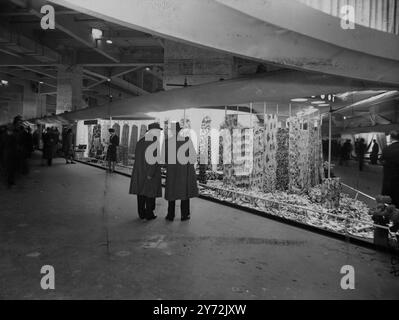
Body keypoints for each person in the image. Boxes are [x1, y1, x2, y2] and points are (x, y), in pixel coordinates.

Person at [163, 122, 198, 221]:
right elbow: (193, 157)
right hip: (184, 172)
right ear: (180, 131)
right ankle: (184, 215)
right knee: (184, 193)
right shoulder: (187, 141)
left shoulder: (167, 142)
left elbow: (164, 158)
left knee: (171, 192)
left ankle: (170, 215)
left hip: (172, 172)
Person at [129, 123, 162, 220]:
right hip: (150, 173)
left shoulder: (140, 141)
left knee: (141, 193)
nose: (159, 133)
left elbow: (138, 157)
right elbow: (154, 160)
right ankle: (149, 214)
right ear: (153, 131)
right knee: (150, 195)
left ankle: (141, 213)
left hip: (139, 172)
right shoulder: (154, 141)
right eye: (158, 131)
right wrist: (150, 174)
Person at [381, 131, 399, 207]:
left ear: (391, 138)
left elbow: (381, 160)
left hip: (387, 182)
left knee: (385, 205)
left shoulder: (386, 149)